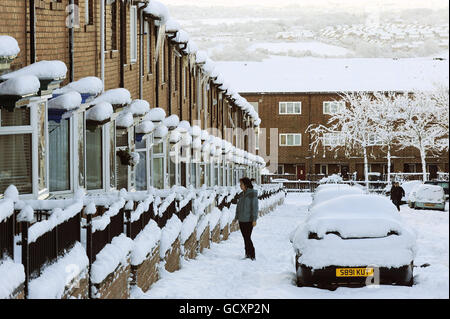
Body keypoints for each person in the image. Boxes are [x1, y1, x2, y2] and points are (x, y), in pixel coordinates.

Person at [235, 177, 259, 260]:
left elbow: (255, 207)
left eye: (241, 184)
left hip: (248, 220)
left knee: (247, 237)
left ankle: (252, 255)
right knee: (245, 237)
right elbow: (238, 207)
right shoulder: (242, 194)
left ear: (246, 185)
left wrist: (254, 219)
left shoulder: (252, 194)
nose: (240, 186)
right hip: (241, 220)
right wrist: (236, 217)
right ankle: (247, 254)